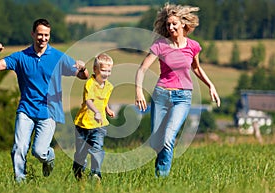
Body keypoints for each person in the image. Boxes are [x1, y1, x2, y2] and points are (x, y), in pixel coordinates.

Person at [0, 18, 89, 182]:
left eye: (46, 35)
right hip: (26, 110)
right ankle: (20, 181)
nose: (43, 38)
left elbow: (82, 76)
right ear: (33, 34)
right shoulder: (21, 57)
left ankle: (49, 156)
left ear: (49, 35)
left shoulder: (57, 57)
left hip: (49, 111)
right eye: (40, 34)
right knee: (19, 147)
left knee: (39, 151)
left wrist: (83, 68)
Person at [135, 3, 221, 177]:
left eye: (174, 23)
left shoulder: (193, 46)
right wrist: (138, 91)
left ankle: (161, 178)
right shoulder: (160, 45)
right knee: (157, 142)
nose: (171, 27)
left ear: (183, 24)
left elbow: (196, 68)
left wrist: (210, 85)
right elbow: (142, 69)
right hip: (161, 94)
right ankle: (160, 169)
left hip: (182, 97)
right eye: (168, 24)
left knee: (168, 137)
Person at [72, 53, 115, 181]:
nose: (106, 74)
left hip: (99, 125)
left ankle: (96, 174)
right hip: (83, 124)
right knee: (81, 155)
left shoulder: (109, 86)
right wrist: (96, 111)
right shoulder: (89, 83)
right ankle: (78, 171)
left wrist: (107, 109)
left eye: (109, 71)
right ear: (95, 70)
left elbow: (104, 100)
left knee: (98, 149)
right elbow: (89, 101)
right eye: (103, 70)